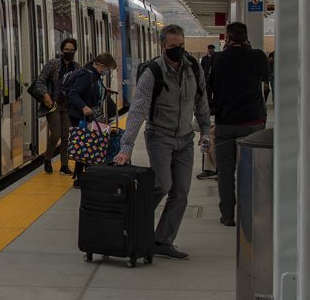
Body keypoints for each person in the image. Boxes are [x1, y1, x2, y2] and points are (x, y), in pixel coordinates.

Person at [112, 24, 211, 260]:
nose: (178, 51)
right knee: (163, 185)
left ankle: (162, 240)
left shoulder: (194, 70)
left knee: (181, 192)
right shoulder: (152, 72)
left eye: (182, 46)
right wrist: (126, 147)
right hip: (160, 137)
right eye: (173, 47)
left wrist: (206, 131)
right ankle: (134, 223)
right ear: (162, 46)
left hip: (185, 139)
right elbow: (137, 111)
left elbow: (201, 101)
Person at [208, 22, 269, 227]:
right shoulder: (258, 56)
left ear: (227, 37)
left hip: (225, 123)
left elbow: (212, 88)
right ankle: (250, 214)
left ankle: (227, 215)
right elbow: (266, 77)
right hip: (253, 123)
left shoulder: (217, 59)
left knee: (225, 173)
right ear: (246, 37)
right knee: (251, 171)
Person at [64, 52, 117, 185]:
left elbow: (90, 90)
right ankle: (80, 178)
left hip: (89, 114)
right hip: (81, 115)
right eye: (107, 69)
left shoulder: (94, 74)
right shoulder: (86, 75)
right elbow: (73, 93)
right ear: (100, 65)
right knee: (85, 144)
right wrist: (83, 107)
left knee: (88, 144)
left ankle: (84, 176)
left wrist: (104, 91)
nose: (107, 72)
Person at [31, 38, 79, 175]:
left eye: (71, 50)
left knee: (66, 135)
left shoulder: (76, 67)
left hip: (68, 106)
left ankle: (64, 164)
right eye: (66, 50)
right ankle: (47, 158)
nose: (69, 52)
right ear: (61, 50)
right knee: (56, 134)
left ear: (75, 51)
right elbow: (40, 81)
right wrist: (45, 95)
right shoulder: (53, 64)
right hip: (53, 105)